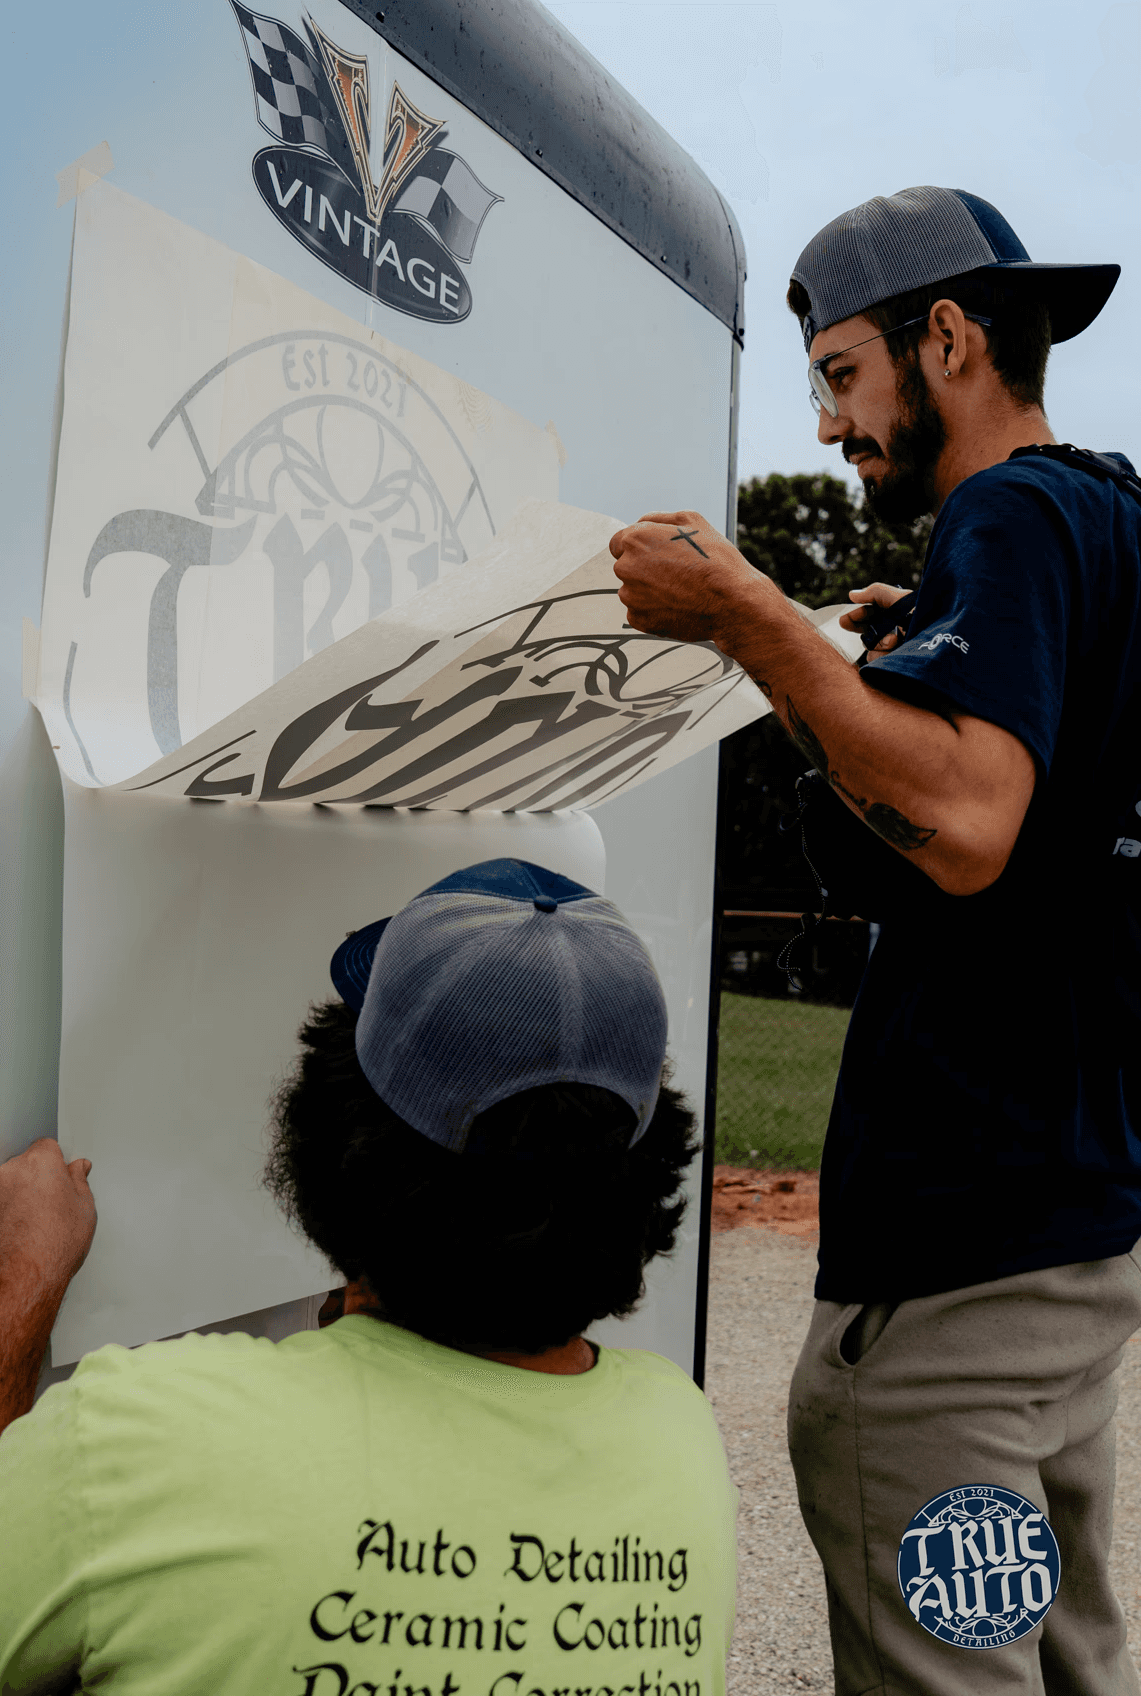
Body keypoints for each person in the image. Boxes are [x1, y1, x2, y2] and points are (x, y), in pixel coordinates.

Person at [610, 186, 1141, 1693]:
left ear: (949, 339)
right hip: (1077, 1242)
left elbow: (967, 826)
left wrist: (756, 621)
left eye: (842, 375)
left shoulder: (1013, 513)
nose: (835, 427)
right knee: (1064, 1663)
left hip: (961, 1272)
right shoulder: (1113, 522)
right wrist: (894, 657)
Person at [0, 857, 737, 1696]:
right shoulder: (681, 1447)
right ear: (646, 1173)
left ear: (337, 1133)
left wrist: (18, 1285)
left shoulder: (128, 1439)